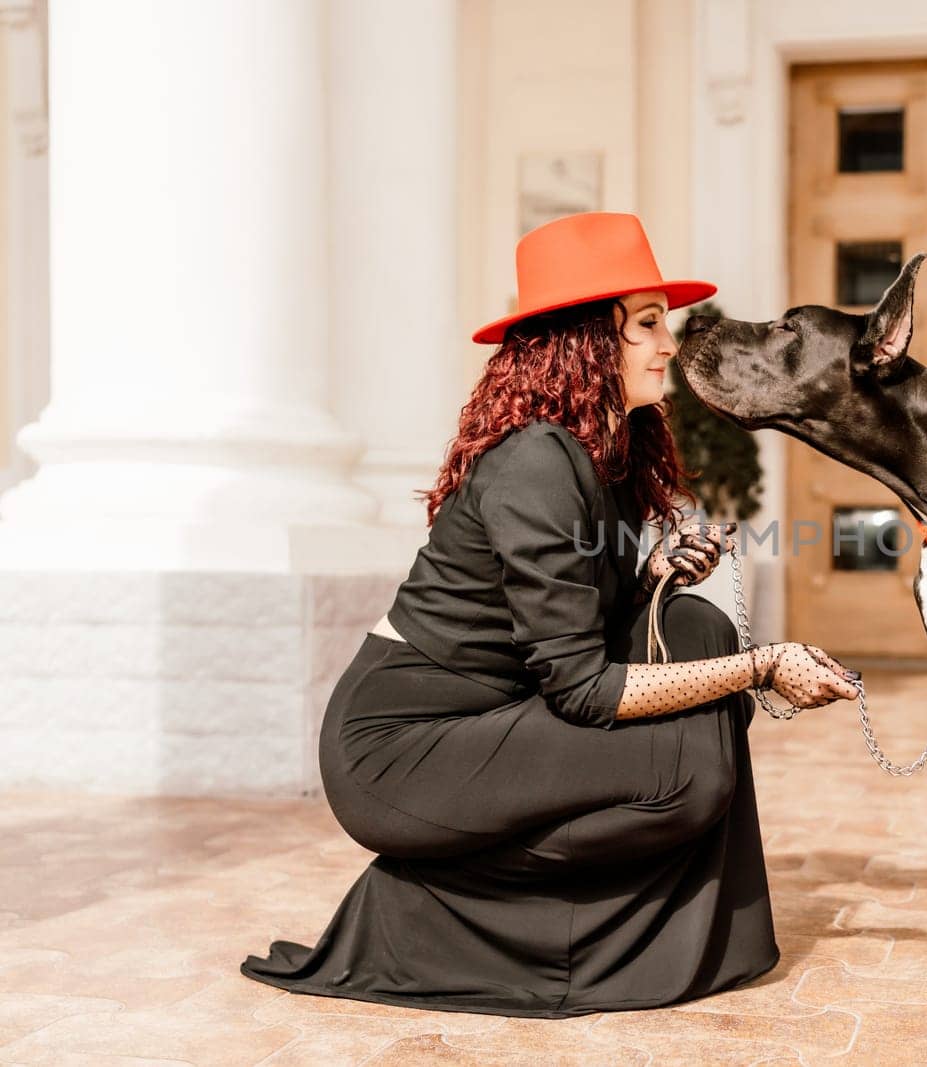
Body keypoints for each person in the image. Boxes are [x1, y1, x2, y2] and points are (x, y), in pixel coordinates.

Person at [239, 211, 860, 1018]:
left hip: (493, 714)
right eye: (646, 323)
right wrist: (763, 664)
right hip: (399, 749)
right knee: (687, 765)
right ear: (587, 339)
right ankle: (440, 910)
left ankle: (652, 932)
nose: (668, 342)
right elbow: (582, 690)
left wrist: (654, 578)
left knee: (698, 629)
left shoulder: (598, 454)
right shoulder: (536, 459)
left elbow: (569, 627)